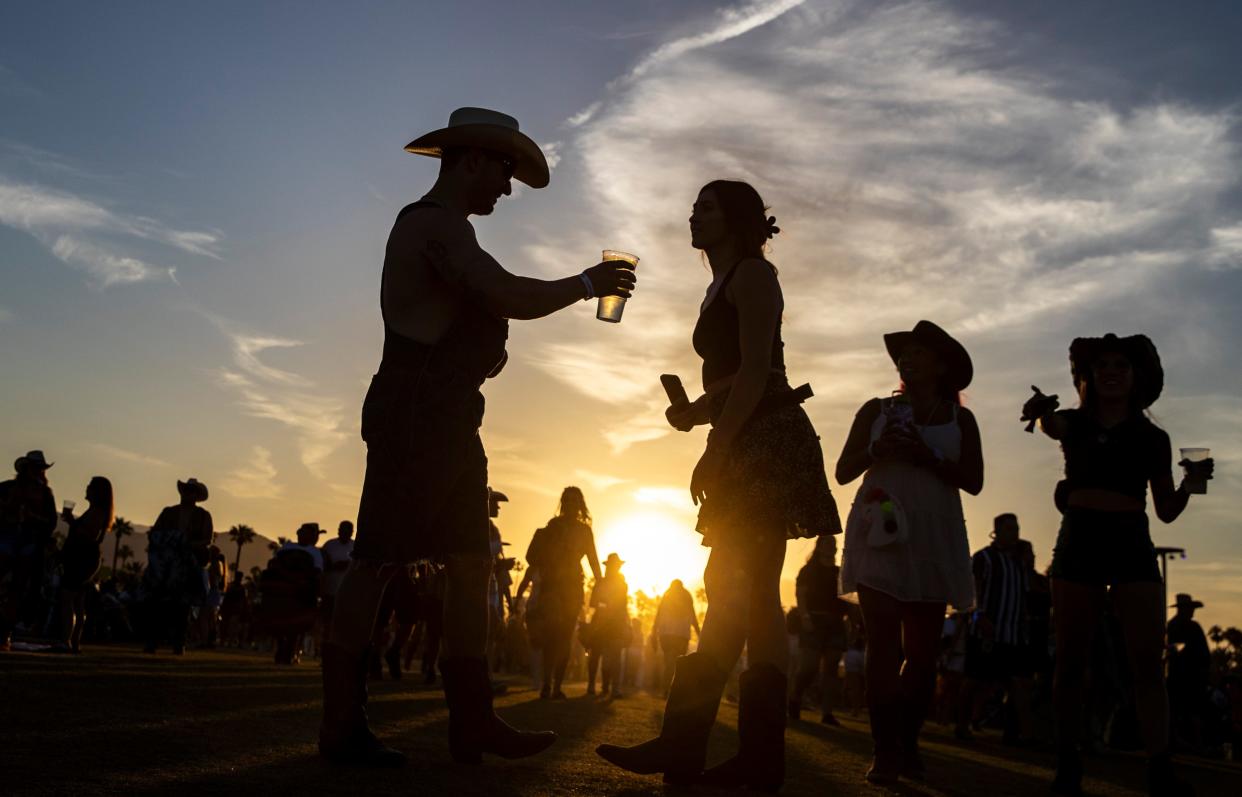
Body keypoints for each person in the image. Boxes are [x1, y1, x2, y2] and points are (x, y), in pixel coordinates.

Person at [320, 106, 637, 768]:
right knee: (377, 560)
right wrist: (586, 284)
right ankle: (342, 727)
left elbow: (479, 315)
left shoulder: (451, 230)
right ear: (469, 161)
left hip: (451, 417)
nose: (507, 187)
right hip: (414, 413)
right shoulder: (432, 227)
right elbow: (505, 293)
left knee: (469, 564)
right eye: (502, 170)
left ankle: (473, 722)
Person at [597, 180, 840, 792]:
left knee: (739, 590)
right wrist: (697, 411)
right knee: (749, 598)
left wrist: (716, 443)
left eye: (706, 207)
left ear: (736, 219)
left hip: (766, 445)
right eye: (694, 205)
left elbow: (762, 370)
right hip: (748, 435)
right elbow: (738, 379)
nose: (693, 215)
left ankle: (693, 747)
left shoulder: (754, 276)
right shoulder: (722, 282)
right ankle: (729, 757)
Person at [1023, 333, 1214, 795]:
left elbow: (1166, 509)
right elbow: (1050, 424)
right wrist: (1042, 411)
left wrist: (1192, 483)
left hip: (1132, 542)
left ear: (1136, 377)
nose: (1111, 371)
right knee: (1070, 660)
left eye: (1121, 366)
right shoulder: (1071, 422)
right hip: (1080, 539)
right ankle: (1068, 765)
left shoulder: (1154, 438)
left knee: (1148, 662)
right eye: (1103, 365)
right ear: (1087, 377)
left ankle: (1160, 767)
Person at [837, 320, 983, 784]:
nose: (908, 359)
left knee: (922, 654)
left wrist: (928, 457)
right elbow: (843, 471)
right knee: (883, 645)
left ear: (942, 366)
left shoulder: (961, 419)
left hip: (933, 539)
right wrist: (878, 448)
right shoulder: (876, 410)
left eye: (920, 353)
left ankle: (908, 741)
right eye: (906, 353)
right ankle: (884, 750)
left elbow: (974, 481)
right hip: (880, 531)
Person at [956, 513, 1034, 744]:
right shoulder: (984, 558)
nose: (1015, 533)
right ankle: (961, 725)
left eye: (1016, 528)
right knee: (973, 679)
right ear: (997, 531)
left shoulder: (1019, 563)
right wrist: (979, 615)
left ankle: (1023, 734)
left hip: (1013, 634)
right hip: (986, 631)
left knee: (1019, 682)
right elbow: (972, 589)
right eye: (1009, 529)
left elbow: (1028, 594)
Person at [523, 486, 601, 699]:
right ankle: (547, 684)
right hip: (552, 587)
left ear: (580, 504)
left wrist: (602, 584)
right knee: (551, 635)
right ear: (563, 503)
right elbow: (535, 556)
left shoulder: (584, 531)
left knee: (565, 637)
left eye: (575, 500)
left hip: (573, 588)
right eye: (568, 500)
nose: (572, 504)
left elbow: (593, 559)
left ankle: (556, 685)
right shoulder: (553, 526)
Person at [142, 478, 213, 655]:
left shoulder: (203, 516)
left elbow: (207, 539)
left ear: (196, 495)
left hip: (188, 564)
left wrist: (189, 545)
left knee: (182, 606)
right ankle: (153, 641)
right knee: (159, 604)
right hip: (165, 565)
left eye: (191, 491)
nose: (188, 494)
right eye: (186, 490)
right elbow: (155, 532)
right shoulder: (168, 512)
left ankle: (178, 642)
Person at [789, 535, 849, 725]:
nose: (832, 547)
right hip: (813, 621)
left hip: (836, 623)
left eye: (834, 544)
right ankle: (795, 698)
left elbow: (847, 598)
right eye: (828, 543)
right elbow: (801, 595)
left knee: (831, 668)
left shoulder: (840, 572)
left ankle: (827, 713)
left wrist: (852, 622)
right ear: (819, 547)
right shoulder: (808, 570)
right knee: (809, 667)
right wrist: (805, 616)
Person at [0, 450, 58, 648]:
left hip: (28, 542)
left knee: (18, 588)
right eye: (36, 467)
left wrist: (33, 518)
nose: (38, 471)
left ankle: (5, 632)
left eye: (40, 468)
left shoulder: (45, 494)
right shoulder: (8, 488)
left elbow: (51, 523)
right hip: (9, 537)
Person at [56, 477, 115, 653]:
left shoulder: (97, 512)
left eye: (90, 486)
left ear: (97, 492)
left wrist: (72, 522)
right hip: (83, 559)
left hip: (82, 559)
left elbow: (90, 536)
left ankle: (65, 640)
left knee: (67, 598)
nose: (86, 488)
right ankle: (74, 642)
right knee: (78, 603)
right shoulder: (95, 511)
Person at [1167, 594, 1211, 753]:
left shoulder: (1191, 627)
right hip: (1180, 675)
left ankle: (1193, 743)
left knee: (1191, 709)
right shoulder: (1174, 627)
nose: (1192, 612)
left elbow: (1204, 655)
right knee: (1181, 709)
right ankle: (1179, 741)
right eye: (1190, 608)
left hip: (1191, 676)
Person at [585, 553, 631, 699]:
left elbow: (622, 605)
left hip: (614, 623)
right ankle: (594, 685)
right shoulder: (603, 583)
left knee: (612, 657)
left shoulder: (620, 584)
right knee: (597, 655)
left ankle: (610, 687)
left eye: (615, 566)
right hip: (602, 622)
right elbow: (593, 603)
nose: (613, 568)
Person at [652, 579, 700, 697]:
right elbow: (693, 615)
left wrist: (654, 631)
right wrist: (699, 633)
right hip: (681, 635)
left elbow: (658, 614)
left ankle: (666, 689)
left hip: (666, 634)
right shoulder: (686, 596)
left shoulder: (667, 595)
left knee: (669, 661)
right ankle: (673, 690)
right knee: (679, 663)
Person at [321, 521, 355, 646]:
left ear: (352, 532)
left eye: (348, 530)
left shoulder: (356, 546)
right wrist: (335, 566)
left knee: (343, 621)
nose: (345, 532)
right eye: (342, 529)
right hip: (329, 589)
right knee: (327, 621)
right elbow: (322, 564)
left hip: (348, 592)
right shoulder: (329, 545)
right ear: (338, 530)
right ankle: (325, 645)